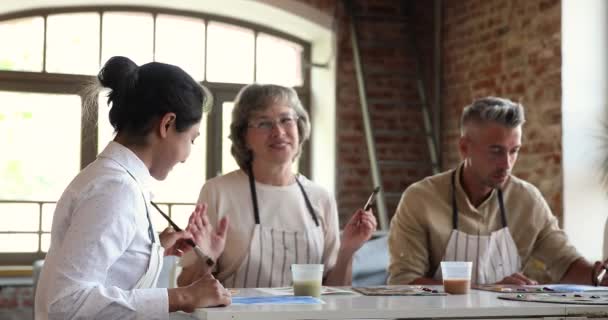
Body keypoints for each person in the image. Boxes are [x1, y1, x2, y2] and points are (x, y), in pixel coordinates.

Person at [35, 56, 231, 320]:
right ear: (167, 124)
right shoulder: (116, 190)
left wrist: (150, 250)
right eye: (191, 140)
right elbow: (67, 303)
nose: (186, 156)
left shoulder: (115, 180)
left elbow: (104, 272)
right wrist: (184, 296)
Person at [387, 96, 608, 286]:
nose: (507, 164)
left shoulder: (527, 200)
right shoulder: (420, 199)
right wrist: (486, 290)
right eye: (496, 151)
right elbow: (404, 282)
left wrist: (599, 277)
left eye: (514, 151)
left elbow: (565, 263)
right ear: (464, 148)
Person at [177, 84, 377, 288]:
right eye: (264, 123)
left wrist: (347, 252)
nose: (278, 132)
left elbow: (335, 291)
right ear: (243, 136)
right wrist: (205, 260)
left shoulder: (321, 198)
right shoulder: (218, 192)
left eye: (286, 120)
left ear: (299, 128)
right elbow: (185, 287)